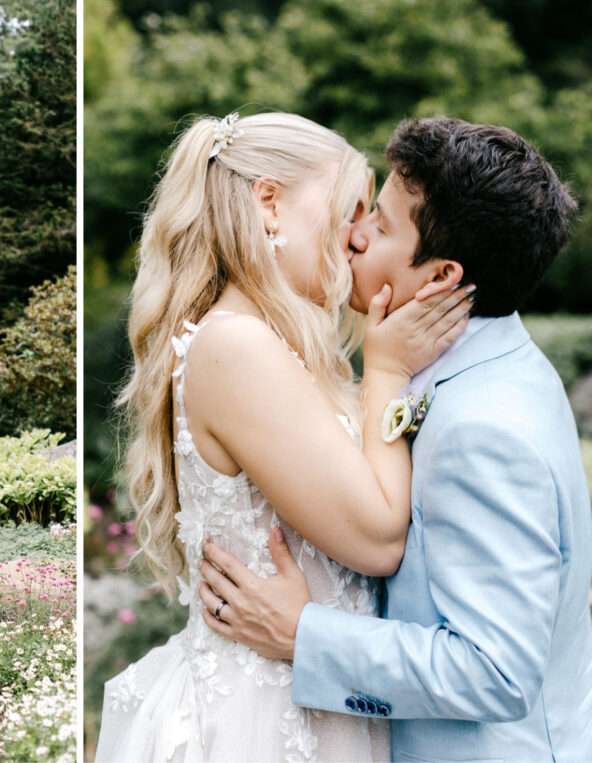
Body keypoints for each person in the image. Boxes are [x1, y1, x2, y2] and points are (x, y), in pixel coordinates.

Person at [197, 117, 592, 761]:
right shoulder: (487, 363)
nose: (351, 235)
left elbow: (498, 673)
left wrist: (305, 635)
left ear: (439, 277)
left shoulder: (483, 428)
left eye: (379, 227)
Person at [95, 112, 473, 761]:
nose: (357, 237)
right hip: (264, 721)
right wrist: (384, 369)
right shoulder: (237, 344)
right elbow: (379, 536)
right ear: (269, 200)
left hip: (321, 693)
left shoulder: (275, 343)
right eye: (350, 209)